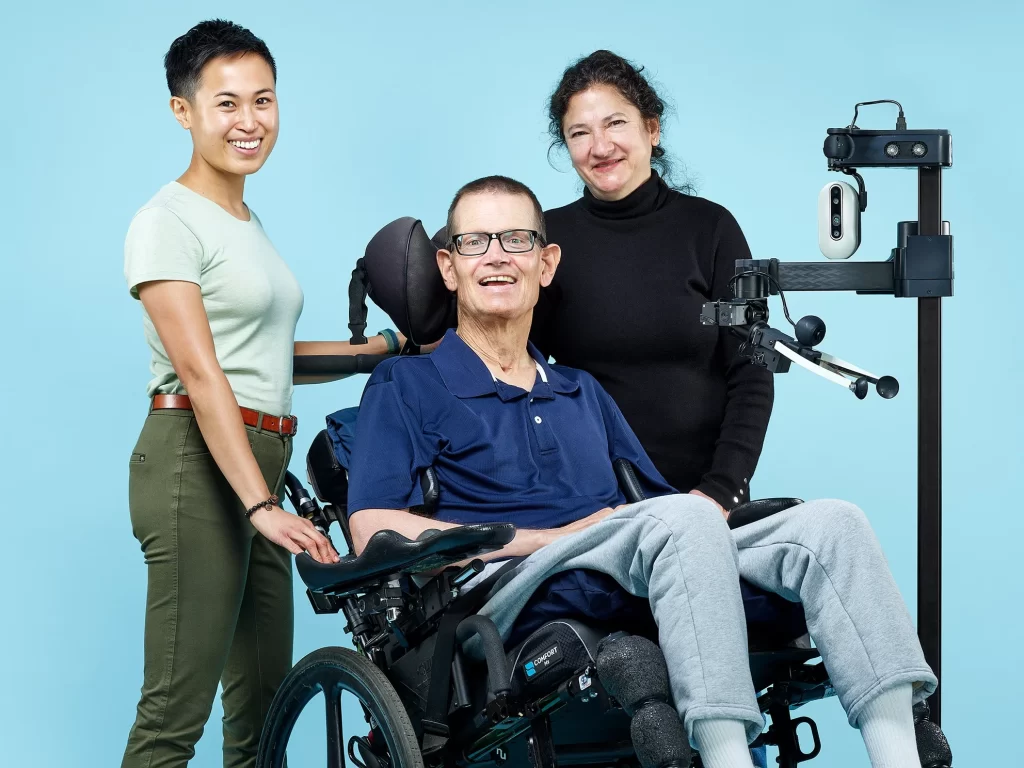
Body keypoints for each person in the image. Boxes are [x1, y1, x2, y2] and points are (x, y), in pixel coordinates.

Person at [345, 176, 937, 768]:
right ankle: (727, 758)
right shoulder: (407, 385)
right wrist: (554, 538)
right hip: (506, 585)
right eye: (475, 242)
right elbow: (372, 529)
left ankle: (901, 752)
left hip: (619, 560)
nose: (497, 256)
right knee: (679, 518)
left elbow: (664, 516)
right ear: (448, 268)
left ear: (546, 264)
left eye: (517, 240)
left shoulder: (581, 390)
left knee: (833, 525)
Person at [121, 20, 399, 768]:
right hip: (196, 465)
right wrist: (259, 506)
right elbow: (205, 373)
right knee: (174, 712)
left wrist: (388, 350)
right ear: (183, 111)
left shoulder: (245, 222)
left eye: (264, 101)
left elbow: (268, 357)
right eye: (227, 104)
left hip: (258, 461)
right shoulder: (166, 222)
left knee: (263, 712)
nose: (250, 122)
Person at [530, 49, 772, 516]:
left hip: (701, 500)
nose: (600, 147)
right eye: (579, 133)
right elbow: (511, 359)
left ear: (652, 129)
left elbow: (755, 369)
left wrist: (721, 493)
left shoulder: (716, 228)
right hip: (591, 506)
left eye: (616, 123)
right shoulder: (547, 239)